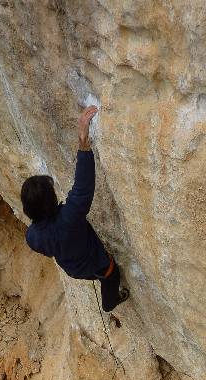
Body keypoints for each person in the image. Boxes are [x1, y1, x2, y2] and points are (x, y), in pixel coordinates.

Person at [21, 106, 129, 313]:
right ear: (51, 201)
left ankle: (106, 292)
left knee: (98, 274)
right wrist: (83, 144)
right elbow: (82, 188)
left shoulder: (32, 237)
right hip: (98, 266)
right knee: (111, 275)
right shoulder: (69, 217)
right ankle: (110, 303)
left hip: (73, 268)